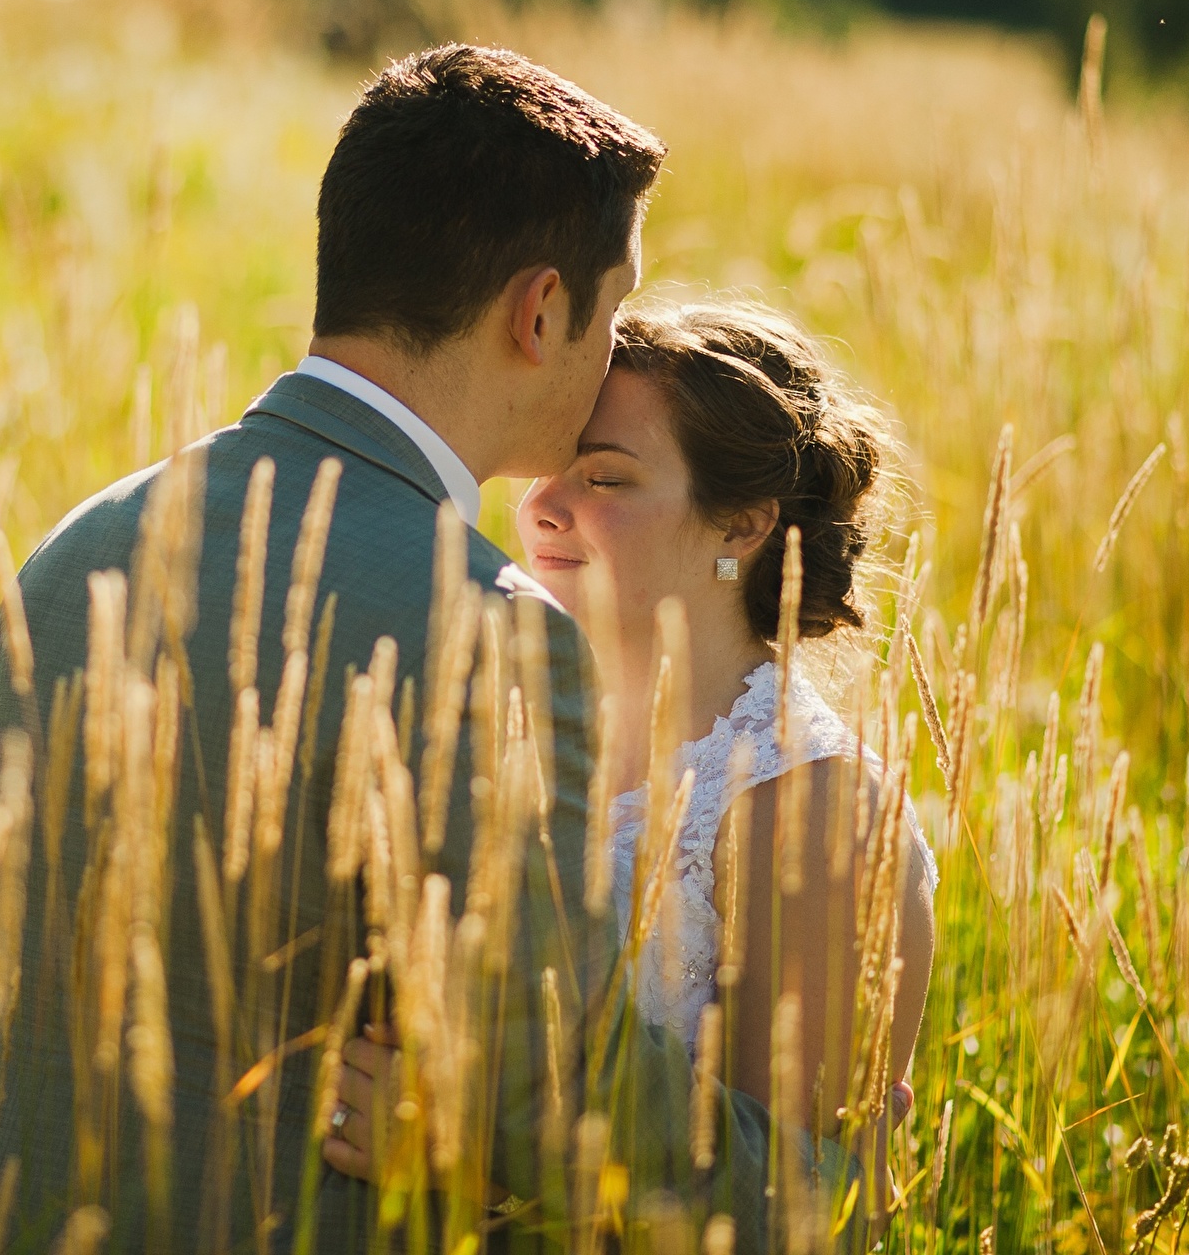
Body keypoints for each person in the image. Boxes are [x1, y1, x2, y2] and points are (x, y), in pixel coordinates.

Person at [0, 45, 846, 1252]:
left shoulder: (80, 545)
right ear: (540, 311)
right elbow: (532, 1086)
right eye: (609, 306)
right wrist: (803, 1188)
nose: (609, 347)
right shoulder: (491, 633)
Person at [319, 303, 939, 1220]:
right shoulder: (495, 730)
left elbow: (794, 1211)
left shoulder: (815, 813)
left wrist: (465, 1172)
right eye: (545, 472)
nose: (539, 507)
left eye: (604, 479)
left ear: (742, 527)